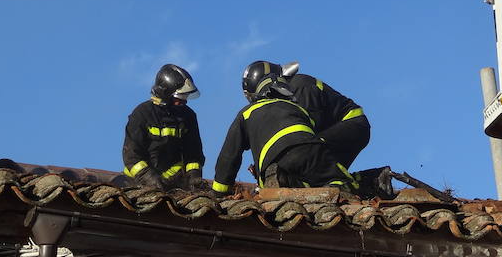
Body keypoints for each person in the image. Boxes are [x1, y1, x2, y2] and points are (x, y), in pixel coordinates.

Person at [212, 70, 358, 195]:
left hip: (273, 158)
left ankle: (280, 178)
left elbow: (229, 155)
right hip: (308, 148)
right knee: (339, 182)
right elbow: (312, 130)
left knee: (289, 179)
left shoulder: (247, 113)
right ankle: (340, 188)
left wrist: (220, 191)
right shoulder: (296, 107)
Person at [241, 61, 369, 168]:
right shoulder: (287, 92)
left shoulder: (298, 85)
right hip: (331, 130)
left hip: (352, 124)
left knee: (307, 151)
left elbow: (307, 128)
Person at [122, 64, 205, 190]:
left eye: (185, 98)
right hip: (137, 183)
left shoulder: (188, 116)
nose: (184, 102)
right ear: (165, 94)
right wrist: (149, 178)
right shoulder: (141, 114)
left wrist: (194, 177)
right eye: (179, 98)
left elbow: (193, 154)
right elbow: (131, 156)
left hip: (175, 183)